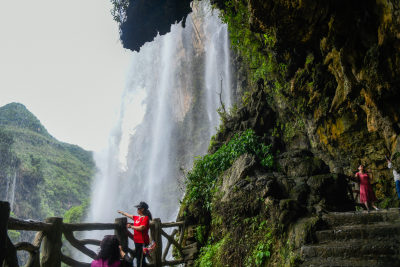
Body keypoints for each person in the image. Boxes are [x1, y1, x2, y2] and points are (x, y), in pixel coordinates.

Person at [118, 201, 152, 267]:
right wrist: (122, 213)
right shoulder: (137, 218)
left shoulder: (146, 218)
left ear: (142, 209)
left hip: (143, 242)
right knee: (139, 259)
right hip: (137, 242)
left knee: (140, 259)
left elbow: (142, 227)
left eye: (138, 208)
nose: (137, 209)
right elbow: (129, 215)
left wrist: (131, 226)